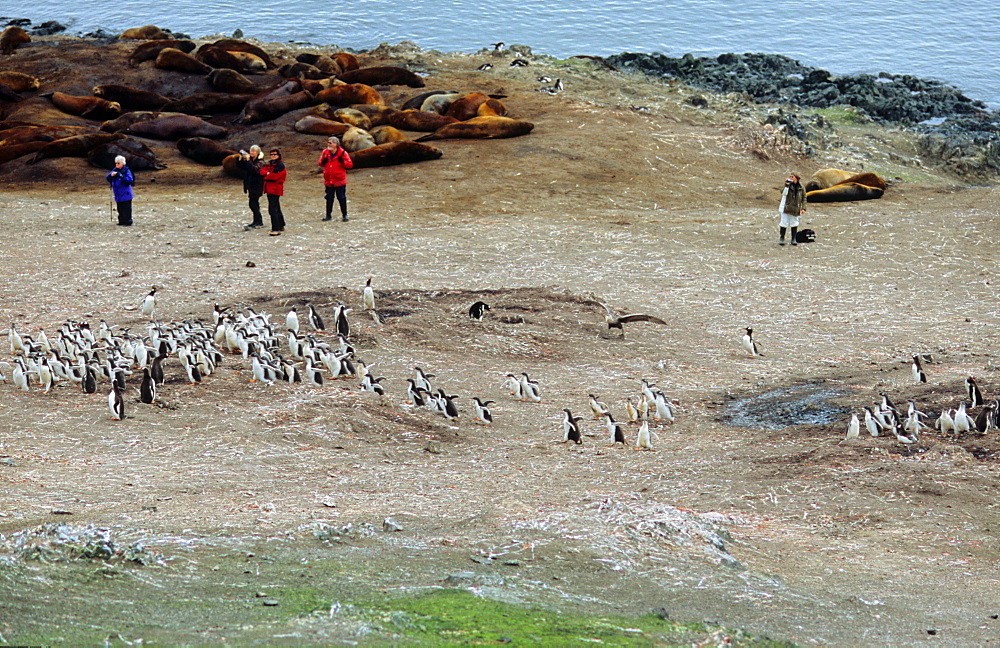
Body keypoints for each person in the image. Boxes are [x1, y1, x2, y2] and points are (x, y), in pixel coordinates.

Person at [318, 136, 354, 222]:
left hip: (339, 180)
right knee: (329, 198)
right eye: (328, 142)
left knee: (341, 197)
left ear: (336, 144)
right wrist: (323, 161)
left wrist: (343, 162)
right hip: (329, 180)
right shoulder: (325, 152)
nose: (328, 144)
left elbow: (350, 165)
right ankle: (328, 215)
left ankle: (344, 215)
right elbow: (320, 163)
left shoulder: (343, 153)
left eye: (330, 143)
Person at [236, 144, 265, 228]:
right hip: (250, 184)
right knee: (253, 204)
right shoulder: (252, 160)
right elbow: (241, 167)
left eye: (253, 151)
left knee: (253, 203)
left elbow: (254, 170)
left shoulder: (260, 162)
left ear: (257, 152)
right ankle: (256, 221)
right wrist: (241, 159)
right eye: (251, 151)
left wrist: (248, 160)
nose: (251, 152)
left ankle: (259, 221)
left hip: (256, 185)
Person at [261, 148, 287, 236]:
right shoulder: (271, 164)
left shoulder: (280, 165)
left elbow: (274, 176)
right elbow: (262, 171)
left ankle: (275, 228)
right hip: (270, 188)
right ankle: (281, 224)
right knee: (276, 207)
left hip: (275, 189)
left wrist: (267, 174)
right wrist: (267, 173)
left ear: (278, 155)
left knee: (273, 209)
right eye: (271, 154)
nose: (273, 156)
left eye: (275, 154)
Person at [778, 173, 806, 246]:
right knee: (784, 222)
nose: (790, 178)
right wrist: (787, 186)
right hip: (786, 207)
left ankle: (793, 238)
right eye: (790, 176)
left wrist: (803, 208)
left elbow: (804, 198)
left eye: (792, 177)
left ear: (796, 178)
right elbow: (783, 193)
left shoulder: (801, 187)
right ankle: (782, 237)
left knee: (794, 223)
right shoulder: (787, 185)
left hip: (796, 207)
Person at [106, 155, 135, 226]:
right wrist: (111, 176)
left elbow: (129, 180)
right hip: (118, 194)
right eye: (116, 163)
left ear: (123, 163)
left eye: (118, 163)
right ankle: (121, 221)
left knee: (126, 208)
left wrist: (120, 175)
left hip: (126, 193)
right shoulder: (114, 170)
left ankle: (128, 221)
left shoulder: (126, 171)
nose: (117, 165)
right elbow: (107, 177)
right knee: (120, 208)